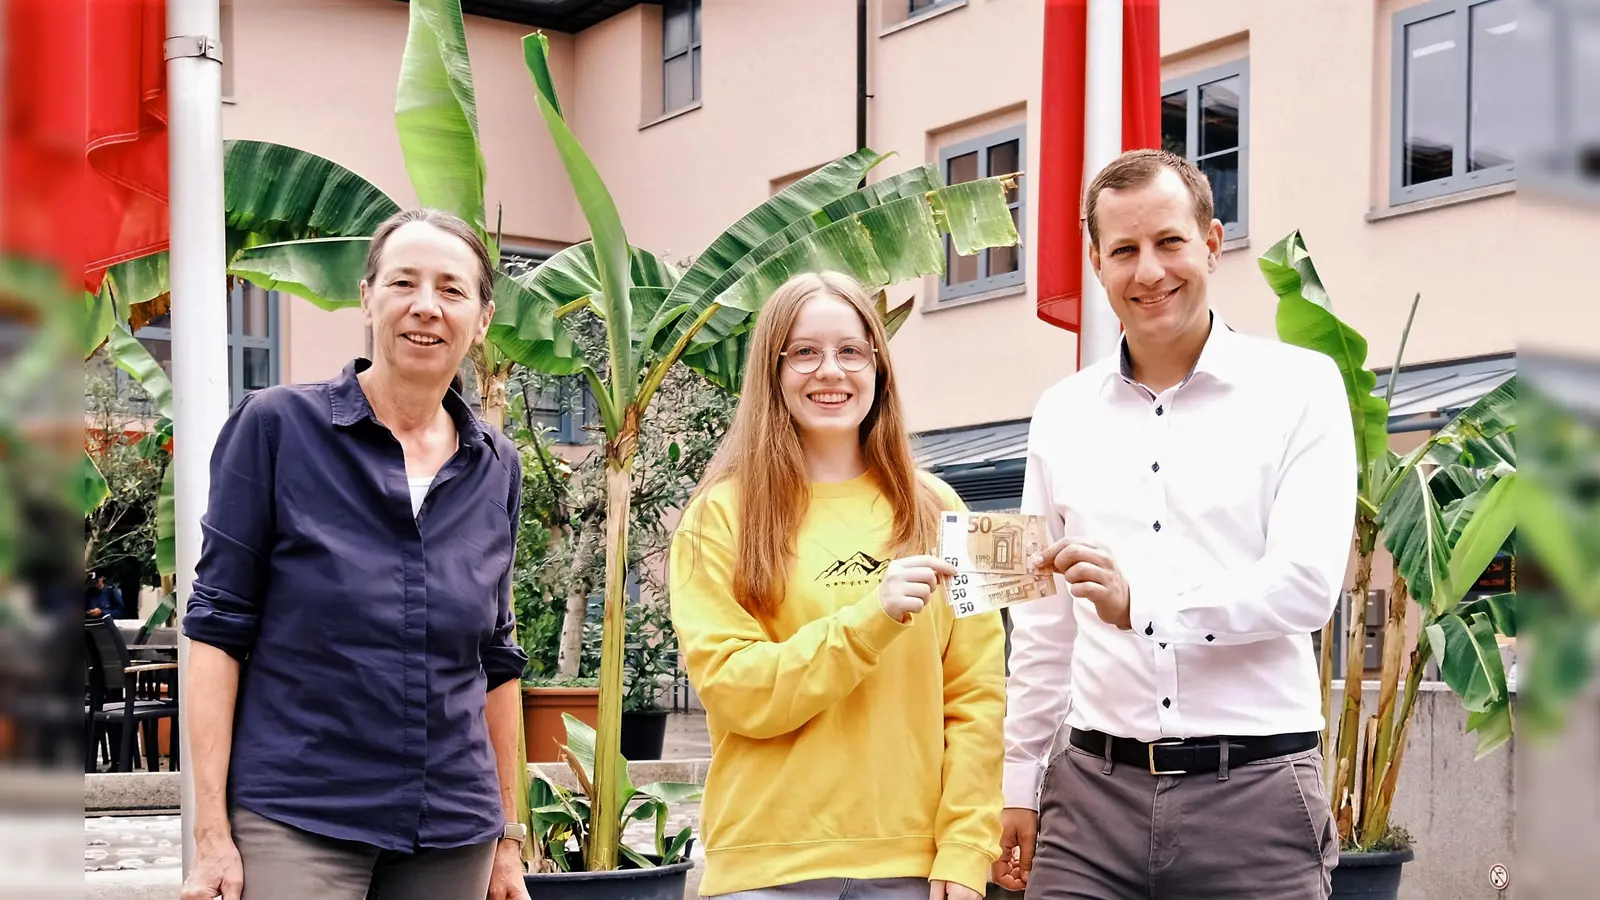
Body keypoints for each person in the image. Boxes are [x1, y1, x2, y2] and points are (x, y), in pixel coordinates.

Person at [991, 150, 1354, 899]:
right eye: (1123, 250)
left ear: (1212, 243)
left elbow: (1308, 587)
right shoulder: (1058, 413)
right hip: (1089, 804)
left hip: (1254, 802)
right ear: (1097, 265)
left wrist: (1143, 603)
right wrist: (1019, 782)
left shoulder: (1302, 388)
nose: (1148, 270)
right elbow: (1041, 620)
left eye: (1169, 242)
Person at [178, 209, 532, 900]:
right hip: (301, 814)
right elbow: (216, 630)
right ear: (368, 298)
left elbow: (496, 658)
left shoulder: (496, 465)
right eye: (404, 282)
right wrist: (212, 833)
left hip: (453, 828)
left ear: (483, 318)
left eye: (452, 290)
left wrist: (507, 838)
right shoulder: (277, 428)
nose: (425, 307)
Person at [669, 272, 1006, 900]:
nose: (831, 371)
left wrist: (966, 848)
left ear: (878, 366)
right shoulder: (715, 516)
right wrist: (870, 617)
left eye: (851, 350)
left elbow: (981, 698)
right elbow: (736, 693)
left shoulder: (950, 508)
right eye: (805, 352)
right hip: (766, 870)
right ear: (773, 370)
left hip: (914, 869)